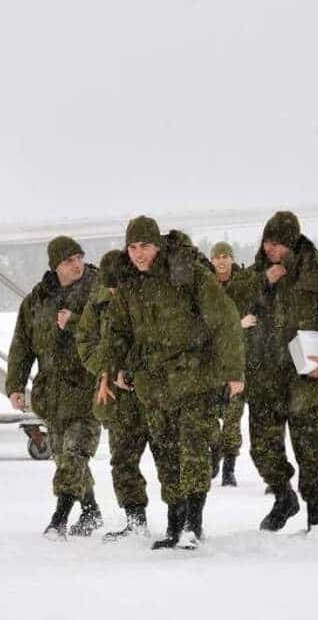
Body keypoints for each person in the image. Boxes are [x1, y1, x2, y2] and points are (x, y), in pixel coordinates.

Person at [101, 217, 244, 550]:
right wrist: (113, 368)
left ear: (158, 245)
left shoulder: (186, 272)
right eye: (132, 247)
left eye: (145, 246)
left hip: (194, 378)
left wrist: (234, 372)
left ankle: (194, 525)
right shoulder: (128, 284)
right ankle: (174, 523)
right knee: (166, 456)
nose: (138, 254)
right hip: (154, 385)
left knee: (193, 449)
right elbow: (117, 331)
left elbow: (224, 320)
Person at [245, 211, 318, 532]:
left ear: (293, 243)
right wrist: (254, 297)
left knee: (312, 454)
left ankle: (316, 521)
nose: (270, 248)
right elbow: (230, 309)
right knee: (262, 451)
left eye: (278, 243)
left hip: (306, 382)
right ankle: (284, 497)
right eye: (267, 242)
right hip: (264, 380)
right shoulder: (257, 275)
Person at [7, 236, 103, 538]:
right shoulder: (37, 300)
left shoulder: (98, 291)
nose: (77, 265)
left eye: (79, 258)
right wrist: (16, 385)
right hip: (53, 393)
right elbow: (22, 345)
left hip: (89, 388)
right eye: (68, 261)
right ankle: (91, 512)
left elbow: (112, 331)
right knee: (63, 455)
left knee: (75, 453)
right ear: (55, 266)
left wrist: (75, 322)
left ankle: (59, 519)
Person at [76, 250, 152, 540]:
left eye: (116, 284)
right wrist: (109, 371)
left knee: (168, 458)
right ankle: (135, 520)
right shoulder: (98, 304)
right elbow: (86, 342)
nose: (112, 291)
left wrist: (135, 372)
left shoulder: (147, 298)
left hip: (151, 394)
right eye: (108, 286)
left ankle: (182, 521)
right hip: (118, 400)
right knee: (122, 461)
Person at [208, 241, 260, 486]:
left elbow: (256, 317)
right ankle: (214, 455)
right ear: (211, 261)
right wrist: (236, 325)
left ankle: (229, 467)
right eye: (217, 257)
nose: (221, 261)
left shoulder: (245, 284)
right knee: (207, 417)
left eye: (225, 256)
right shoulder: (204, 286)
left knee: (232, 416)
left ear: (232, 259)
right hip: (210, 363)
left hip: (239, 362)